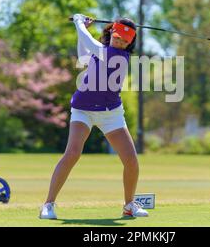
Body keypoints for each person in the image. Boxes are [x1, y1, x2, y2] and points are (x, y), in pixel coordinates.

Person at [40, 14, 148, 219]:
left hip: (111, 113)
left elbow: (89, 43)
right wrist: (81, 29)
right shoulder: (102, 49)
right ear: (111, 33)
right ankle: (48, 204)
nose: (120, 43)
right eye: (117, 38)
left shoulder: (119, 56)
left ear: (130, 43)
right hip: (84, 109)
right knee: (72, 153)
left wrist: (80, 23)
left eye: (125, 41)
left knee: (131, 161)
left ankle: (129, 205)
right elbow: (84, 55)